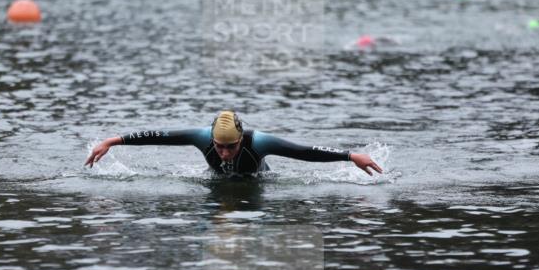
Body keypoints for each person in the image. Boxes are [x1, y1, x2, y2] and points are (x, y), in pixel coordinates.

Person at [85, 110, 383, 177]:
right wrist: (114, 140)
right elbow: (159, 136)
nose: (224, 152)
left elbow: (304, 152)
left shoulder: (260, 142)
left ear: (241, 140)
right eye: (219, 146)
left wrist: (350, 156)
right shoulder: (201, 137)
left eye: (230, 147)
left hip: (257, 182)